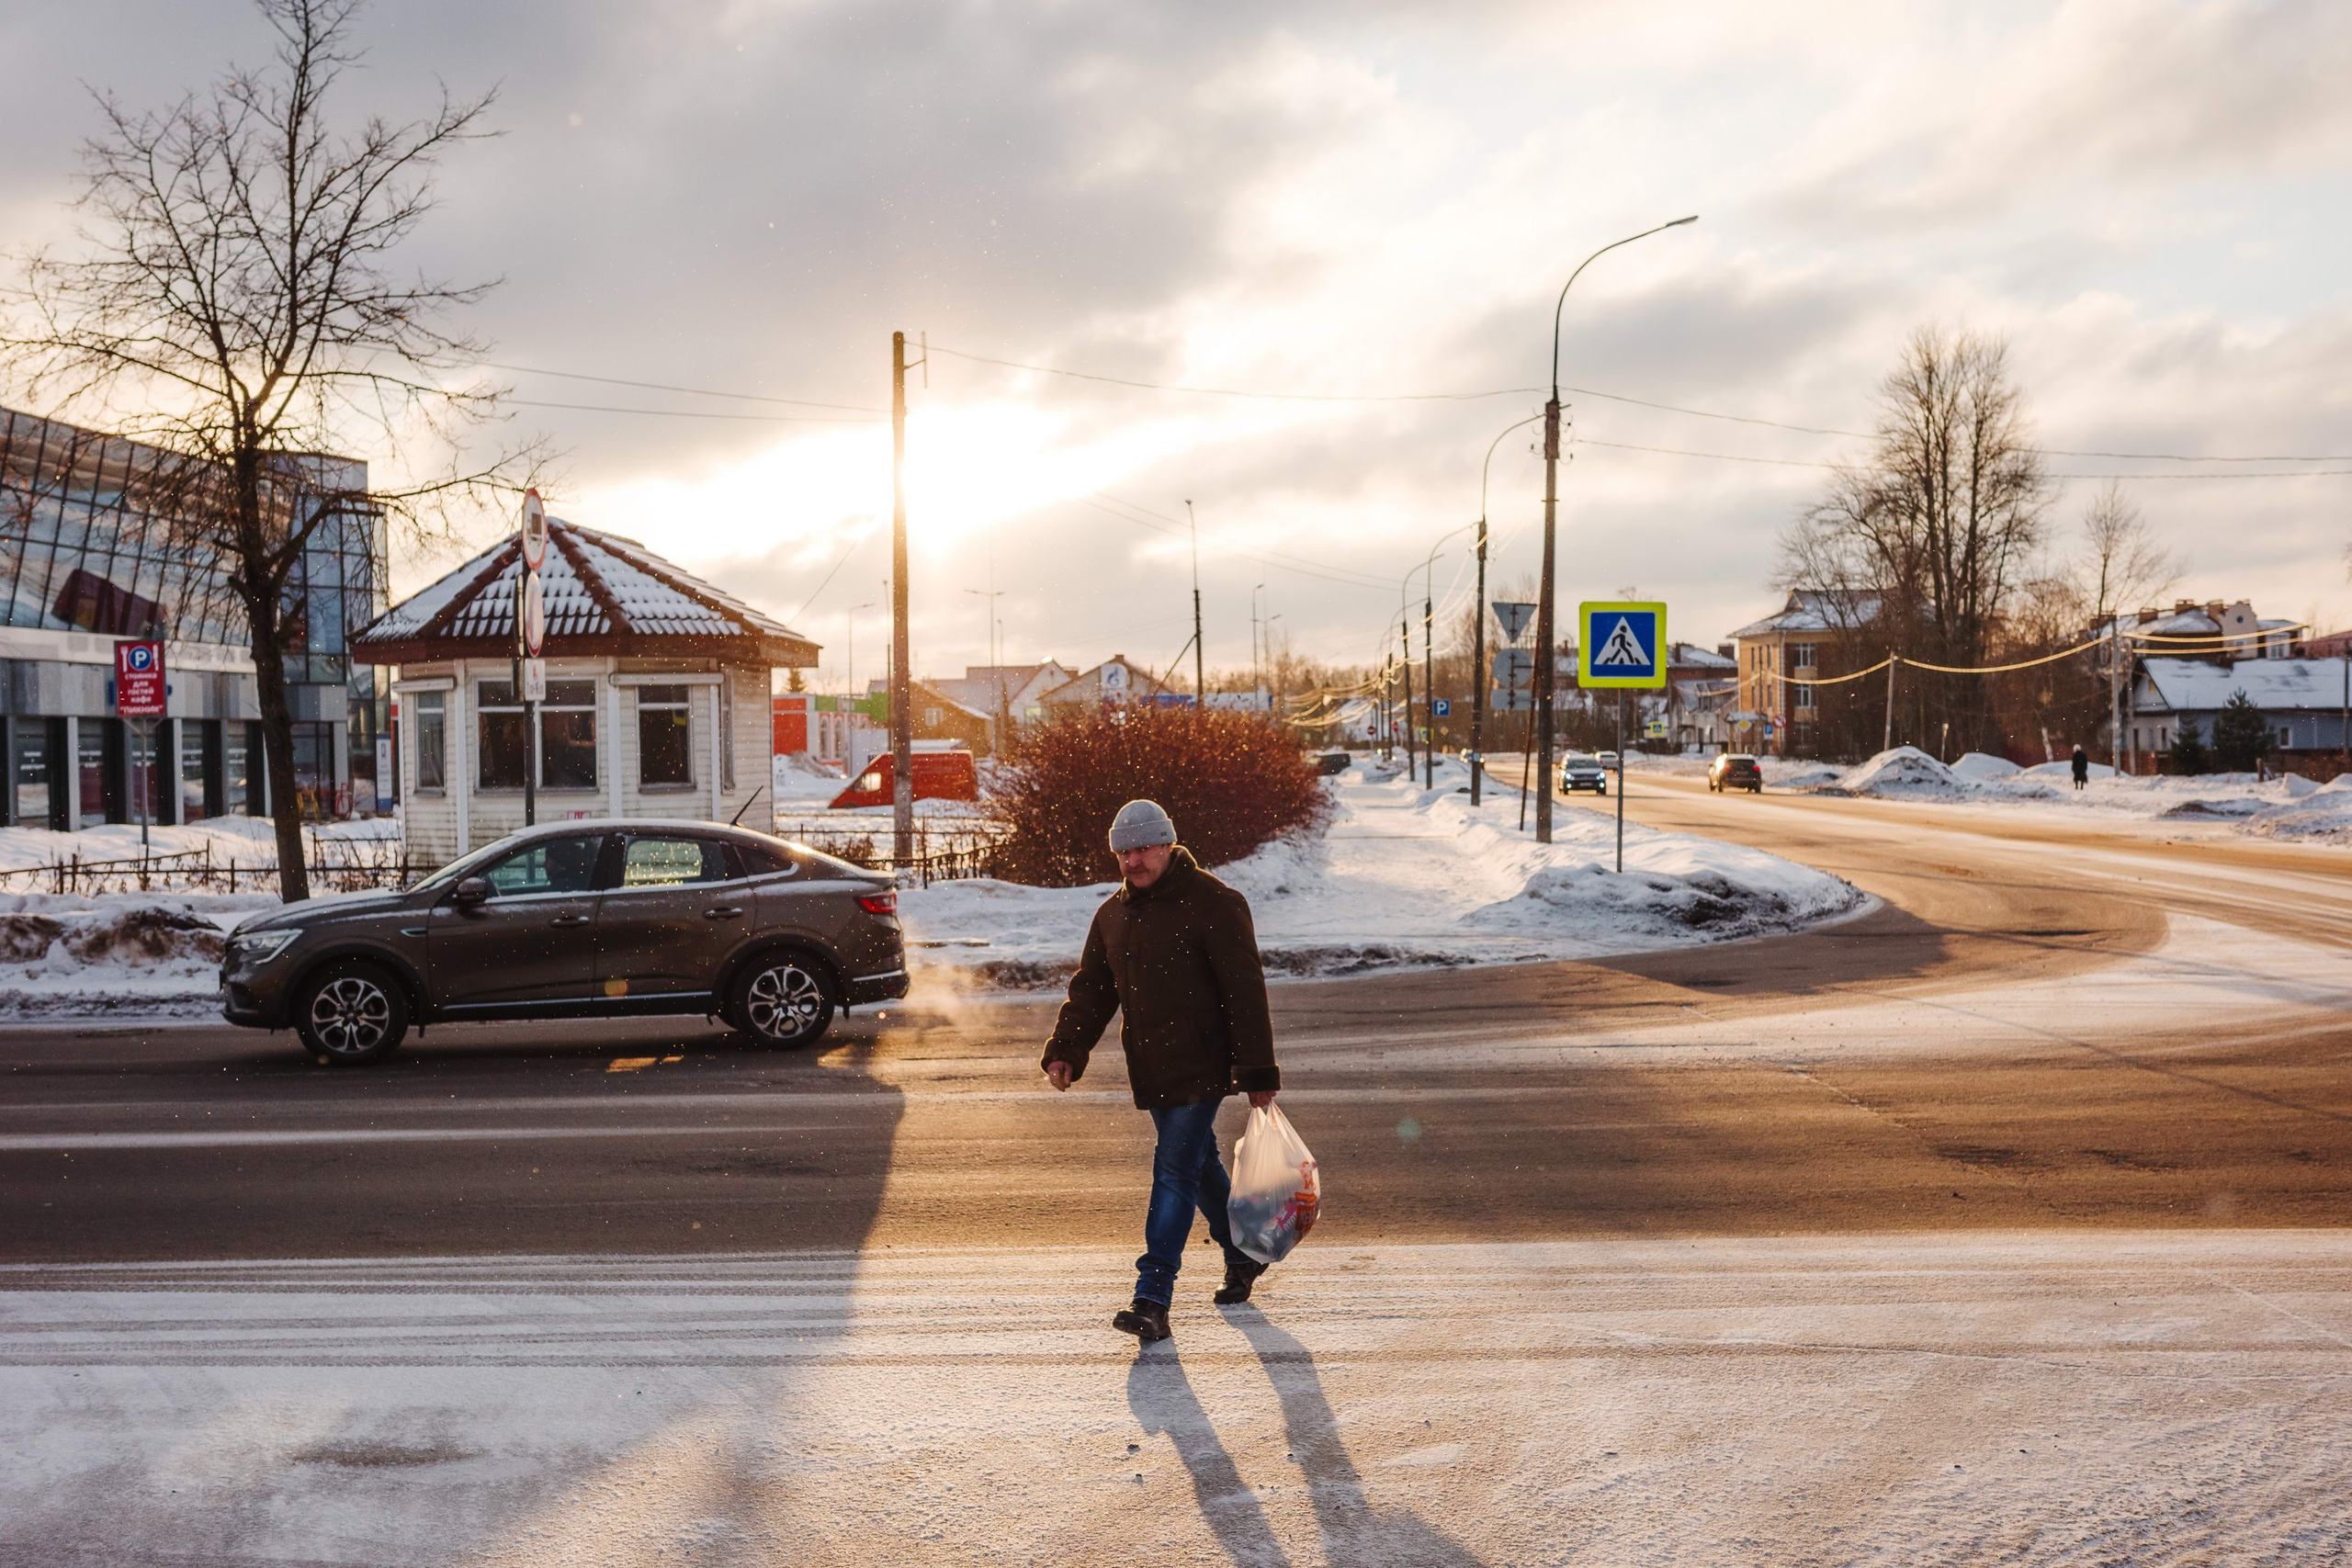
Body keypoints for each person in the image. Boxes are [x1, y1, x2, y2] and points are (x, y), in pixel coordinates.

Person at [1041, 798, 1281, 1343]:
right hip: (1152, 1067)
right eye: (1123, 852)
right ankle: (1243, 1255)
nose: (1132, 861)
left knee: (1173, 1168)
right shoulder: (1112, 915)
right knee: (1196, 1167)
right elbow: (1091, 991)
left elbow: (1245, 993)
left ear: (1168, 844)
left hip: (1204, 1063)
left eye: (1143, 848)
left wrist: (1257, 1072)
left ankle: (1152, 1295)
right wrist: (1066, 1049)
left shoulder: (1215, 903)